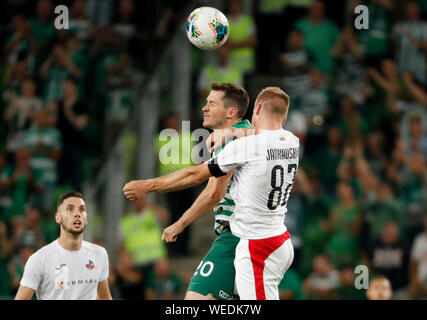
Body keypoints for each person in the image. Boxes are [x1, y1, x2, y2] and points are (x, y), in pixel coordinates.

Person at [124, 86, 298, 300]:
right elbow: (265, 133)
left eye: (212, 103)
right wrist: (232, 131)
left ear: (237, 111)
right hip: (275, 236)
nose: (204, 108)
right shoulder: (289, 140)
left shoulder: (242, 146)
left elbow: (203, 182)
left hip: (246, 238)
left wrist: (149, 188)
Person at [162, 82, 251, 300]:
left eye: (211, 103)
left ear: (231, 112)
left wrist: (179, 223)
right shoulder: (245, 133)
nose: (204, 107)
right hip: (253, 236)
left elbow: (213, 192)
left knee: (196, 299)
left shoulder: (230, 140)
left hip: (236, 235)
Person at [14, 191, 112, 300]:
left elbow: (104, 297)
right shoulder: (39, 259)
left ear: (86, 218)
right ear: (58, 218)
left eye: (82, 209)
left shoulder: (99, 254)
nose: (77, 214)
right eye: (70, 209)